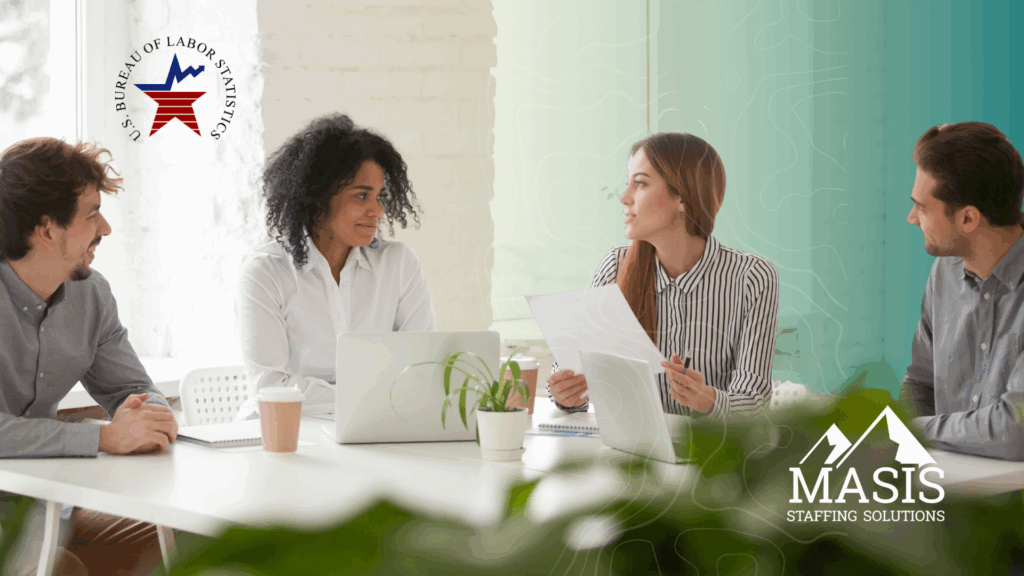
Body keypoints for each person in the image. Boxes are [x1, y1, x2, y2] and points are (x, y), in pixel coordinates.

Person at [0, 138, 178, 574]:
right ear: (46, 230)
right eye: (91, 214)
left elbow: (133, 388)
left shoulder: (91, 295)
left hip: (52, 503)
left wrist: (150, 417)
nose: (106, 229)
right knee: (62, 569)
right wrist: (102, 438)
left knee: (191, 545)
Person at [547, 132, 780, 418]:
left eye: (640, 184)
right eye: (628, 184)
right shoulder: (615, 266)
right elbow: (576, 372)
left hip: (714, 457)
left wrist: (708, 400)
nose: (624, 197)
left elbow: (754, 402)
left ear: (682, 197)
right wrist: (566, 393)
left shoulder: (751, 277)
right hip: (629, 455)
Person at [236, 114, 437, 417]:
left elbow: (424, 366)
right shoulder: (265, 272)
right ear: (316, 198)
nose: (378, 211)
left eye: (379, 196)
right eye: (361, 196)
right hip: (282, 435)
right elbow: (272, 386)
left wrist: (375, 399)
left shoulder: (397, 264)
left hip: (373, 428)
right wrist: (377, 396)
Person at [901, 121, 1024, 461]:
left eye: (923, 207)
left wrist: (915, 431)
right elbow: (920, 383)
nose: (912, 218)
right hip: (954, 496)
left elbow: (1016, 430)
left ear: (968, 219)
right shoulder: (944, 273)